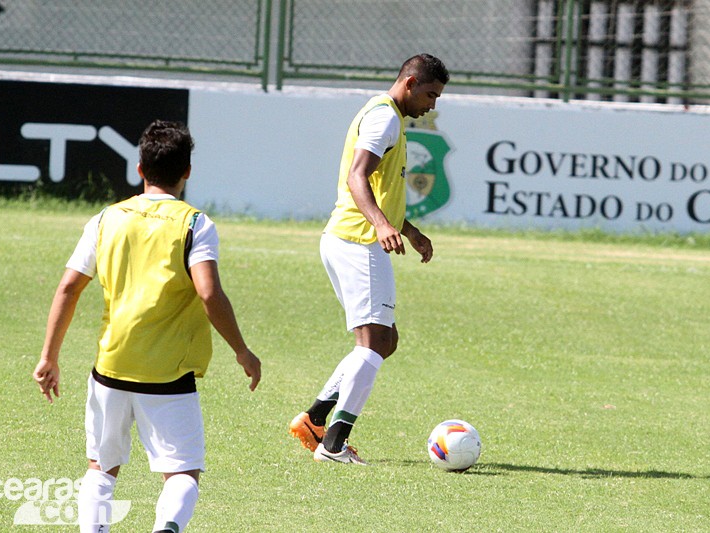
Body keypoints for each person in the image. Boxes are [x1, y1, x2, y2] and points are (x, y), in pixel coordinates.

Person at [33, 120, 261, 533]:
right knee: (182, 474)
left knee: (101, 469)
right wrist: (242, 352)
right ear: (187, 171)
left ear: (139, 168)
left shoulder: (106, 219)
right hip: (169, 374)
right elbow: (209, 294)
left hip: (112, 367)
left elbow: (69, 287)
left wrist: (49, 355)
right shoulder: (195, 224)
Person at [289, 54, 449, 464]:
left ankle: (315, 419)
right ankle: (334, 444)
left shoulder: (385, 113)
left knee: (384, 341)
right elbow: (357, 177)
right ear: (410, 83)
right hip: (358, 242)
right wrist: (380, 226)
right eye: (430, 94)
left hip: (351, 239)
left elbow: (380, 186)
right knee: (374, 342)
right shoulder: (385, 119)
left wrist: (408, 231)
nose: (432, 105)